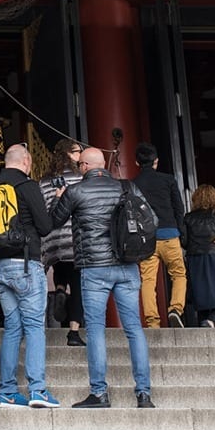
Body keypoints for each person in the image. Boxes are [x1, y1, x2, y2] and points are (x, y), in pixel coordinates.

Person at [49, 147, 154, 409]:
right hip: (127, 265)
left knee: (95, 330)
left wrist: (58, 196)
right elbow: (152, 219)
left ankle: (99, 393)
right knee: (134, 329)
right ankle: (143, 394)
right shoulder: (127, 187)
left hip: (94, 268)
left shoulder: (76, 191)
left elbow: (53, 221)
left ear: (84, 166)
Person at [0, 144, 59, 408]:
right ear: (27, 161)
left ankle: (7, 390)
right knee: (33, 327)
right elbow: (44, 226)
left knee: (12, 327)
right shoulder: (28, 186)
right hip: (25, 263)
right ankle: (37, 390)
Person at [132, 142, 187, 328]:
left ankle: (152, 322)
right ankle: (175, 309)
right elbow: (179, 208)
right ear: (156, 161)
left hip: (147, 239)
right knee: (178, 274)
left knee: (147, 280)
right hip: (170, 233)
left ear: (137, 163)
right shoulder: (168, 180)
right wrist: (182, 232)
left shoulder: (134, 184)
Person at [38, 139, 86, 346]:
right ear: (69, 154)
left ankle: (58, 289)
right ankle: (73, 332)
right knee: (78, 285)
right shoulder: (80, 178)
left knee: (61, 267)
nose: (81, 156)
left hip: (52, 239)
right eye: (78, 152)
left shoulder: (44, 180)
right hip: (75, 236)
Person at [183, 185, 215, 328]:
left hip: (195, 259)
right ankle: (211, 320)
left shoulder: (188, 218)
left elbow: (184, 242)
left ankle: (205, 324)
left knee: (201, 298)